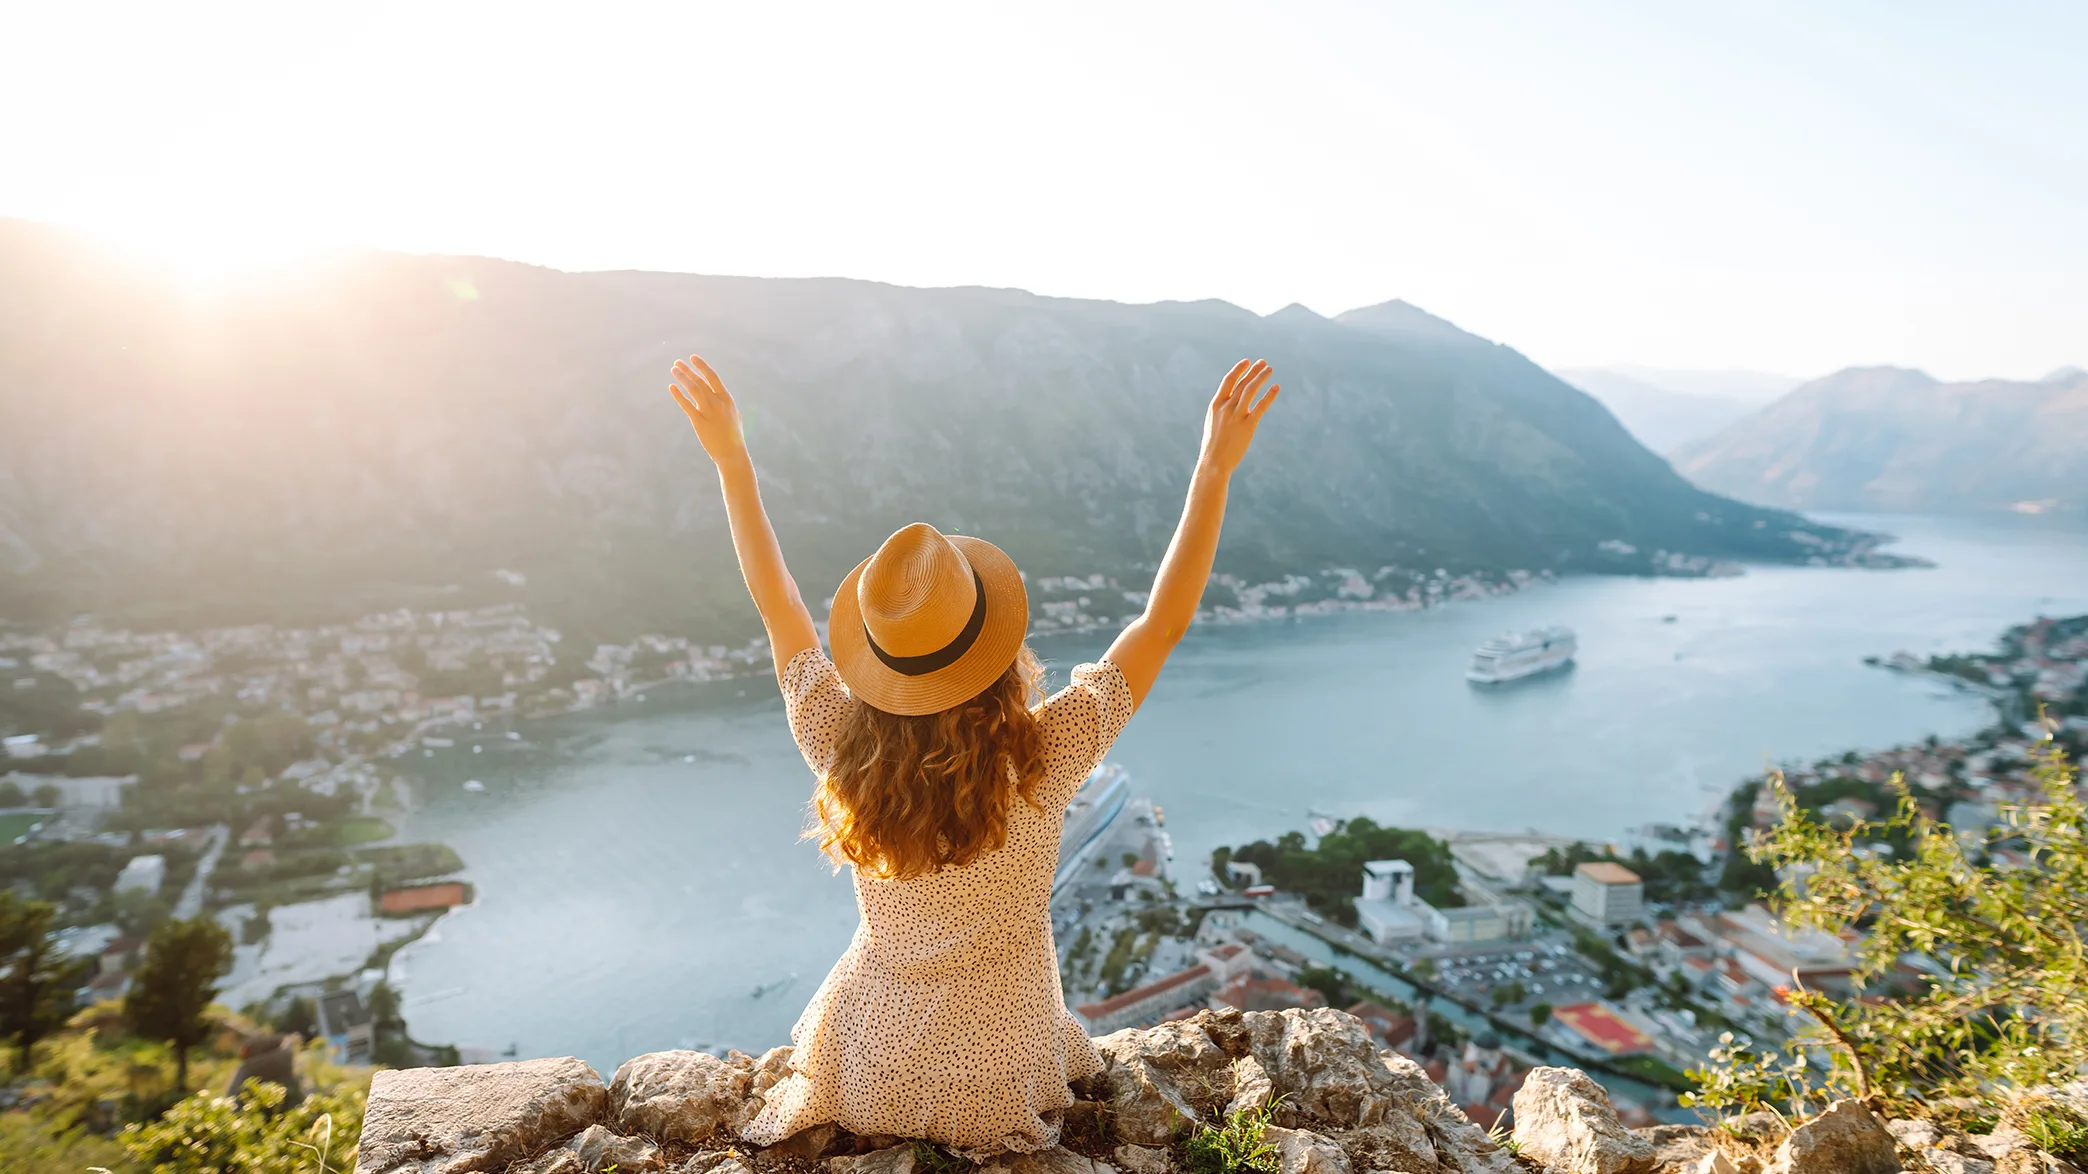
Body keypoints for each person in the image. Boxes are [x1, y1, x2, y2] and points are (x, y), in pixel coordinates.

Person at [667, 353, 1280, 1154]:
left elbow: (776, 599)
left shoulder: (837, 745)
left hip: (863, 1062)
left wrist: (732, 460)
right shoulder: (1043, 754)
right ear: (994, 647)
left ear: (879, 661)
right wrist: (1213, 467)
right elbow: (1160, 623)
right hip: (997, 1077)